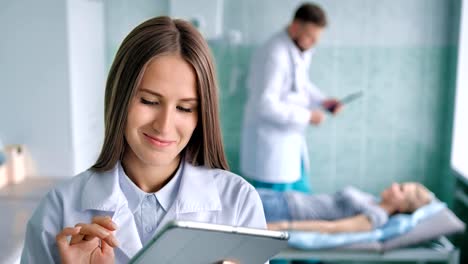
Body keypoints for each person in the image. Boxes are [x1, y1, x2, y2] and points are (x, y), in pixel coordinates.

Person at [21, 16, 266, 264]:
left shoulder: (239, 203)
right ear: (120, 97)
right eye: (149, 101)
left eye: (185, 108)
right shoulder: (59, 209)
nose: (164, 125)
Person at [240, 2, 343, 193]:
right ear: (295, 27)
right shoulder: (275, 53)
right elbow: (266, 105)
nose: (313, 44)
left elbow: (301, 85)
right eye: (310, 38)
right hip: (270, 148)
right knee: (274, 213)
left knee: (301, 205)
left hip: (290, 145)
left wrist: (323, 101)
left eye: (316, 39)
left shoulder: (299, 50)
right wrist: (308, 116)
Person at [260, 182, 432, 232]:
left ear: (401, 207)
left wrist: (282, 226)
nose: (395, 185)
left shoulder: (377, 216)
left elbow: (332, 227)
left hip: (285, 212)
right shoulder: (374, 200)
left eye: (401, 189)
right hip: (285, 198)